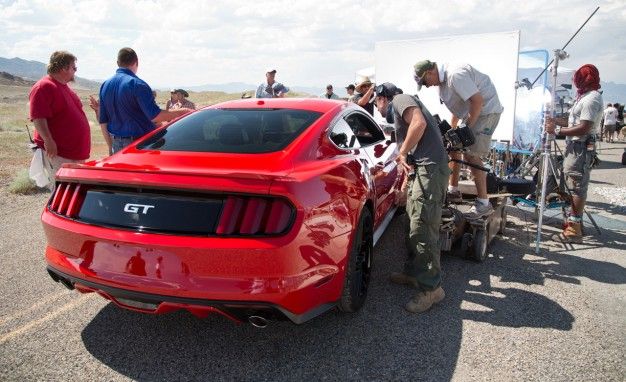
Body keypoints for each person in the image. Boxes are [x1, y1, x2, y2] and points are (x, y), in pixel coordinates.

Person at [374, 82, 449, 313]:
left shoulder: (400, 100)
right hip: (422, 171)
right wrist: (405, 187)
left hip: (430, 171)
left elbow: (420, 123)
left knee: (423, 227)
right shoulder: (400, 108)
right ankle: (413, 273)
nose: (377, 108)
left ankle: (431, 288)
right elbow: (413, 159)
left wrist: (403, 151)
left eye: (377, 103)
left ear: (384, 97)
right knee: (410, 222)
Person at [414, 60, 504, 219]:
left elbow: (477, 101)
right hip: (474, 113)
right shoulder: (442, 83)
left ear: (429, 73)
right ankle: (453, 190)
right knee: (454, 145)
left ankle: (483, 203)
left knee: (471, 154)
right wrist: (454, 128)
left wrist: (466, 128)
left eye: (425, 82)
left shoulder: (456, 75)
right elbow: (460, 104)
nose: (427, 86)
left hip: (486, 113)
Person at [545, 64, 603, 243]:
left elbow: (584, 127)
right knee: (572, 184)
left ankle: (574, 229)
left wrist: (557, 131)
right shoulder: (584, 97)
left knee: (577, 187)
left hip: (580, 147)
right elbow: (573, 120)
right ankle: (573, 222)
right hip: (575, 147)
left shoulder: (591, 99)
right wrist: (555, 120)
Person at [98, 48, 192, 154]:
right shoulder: (137, 84)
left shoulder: (105, 85)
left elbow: (103, 121)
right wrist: (183, 112)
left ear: (117, 63)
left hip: (116, 144)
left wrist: (110, 146)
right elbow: (155, 116)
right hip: (138, 144)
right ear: (136, 62)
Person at [28, 50, 90, 189]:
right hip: (59, 153)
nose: (75, 71)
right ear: (64, 68)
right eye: (74, 68)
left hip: (72, 153)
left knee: (74, 191)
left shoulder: (63, 87)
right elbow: (38, 116)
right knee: (61, 191)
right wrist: (48, 140)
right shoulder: (43, 86)